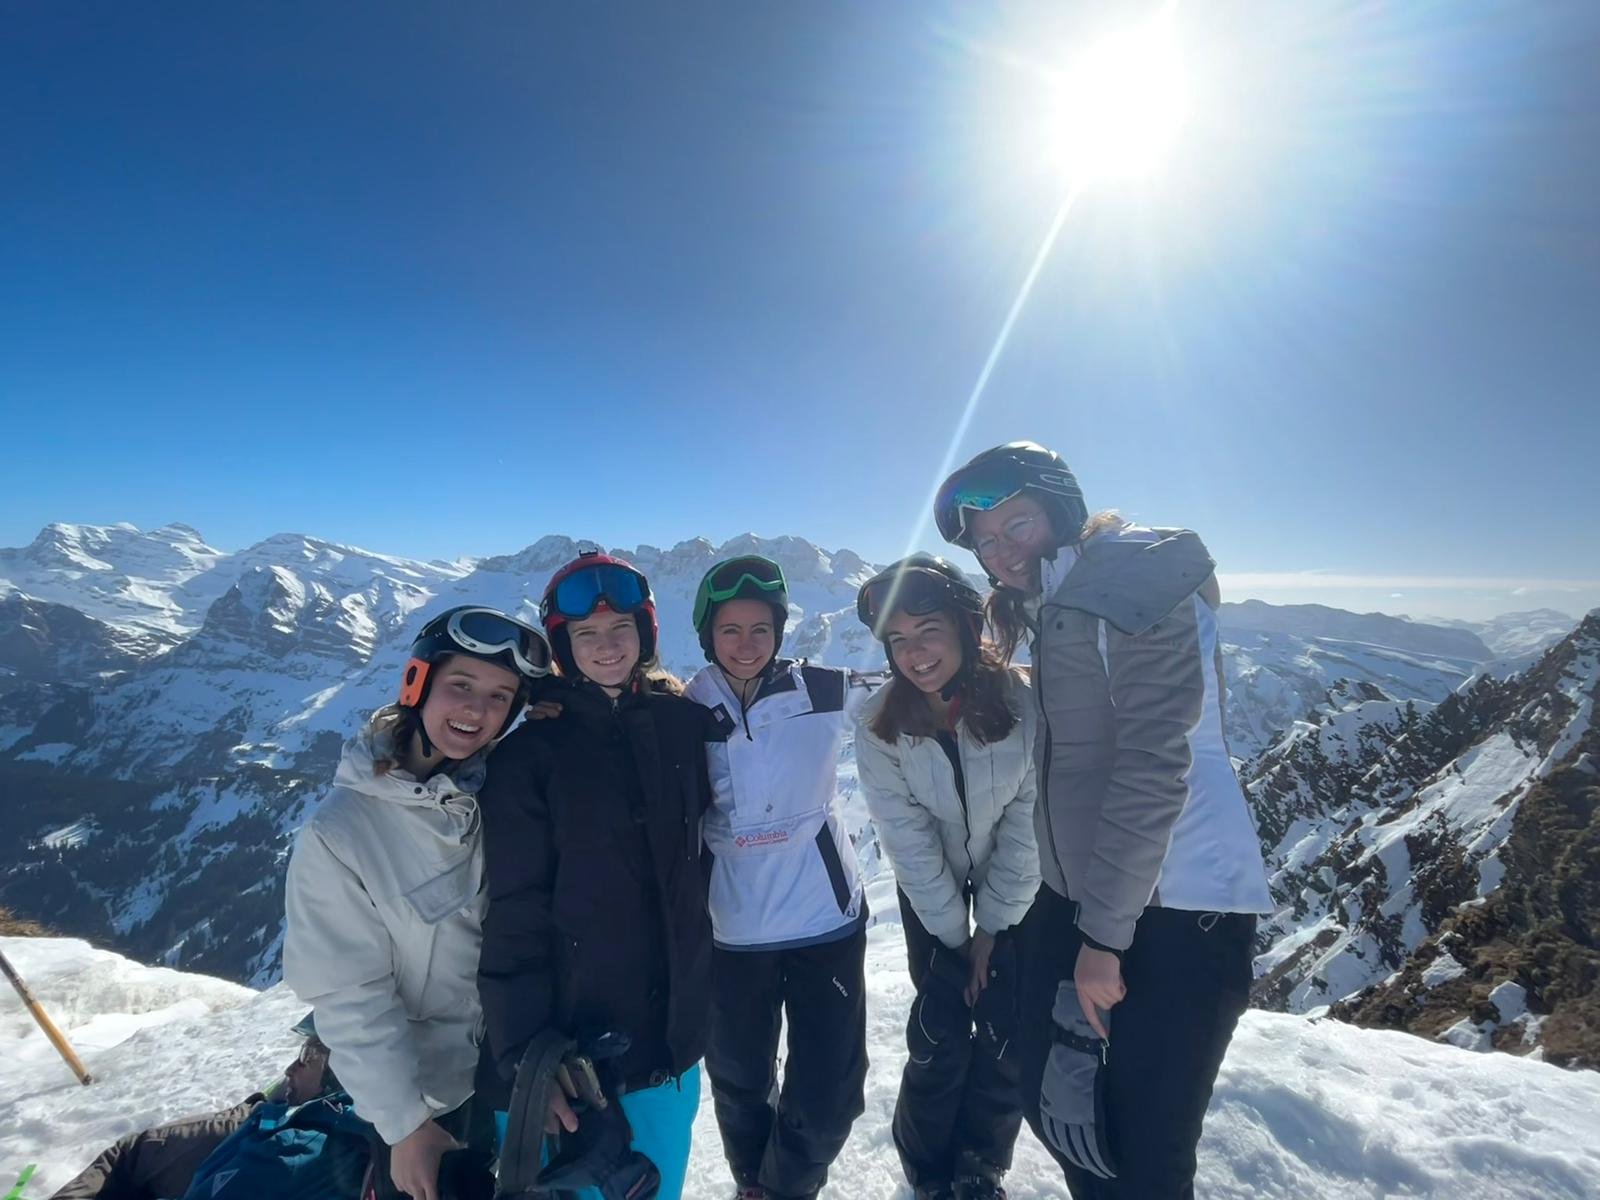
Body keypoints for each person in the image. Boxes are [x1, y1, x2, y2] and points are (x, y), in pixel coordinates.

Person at [933, 442, 1273, 1199]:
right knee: (1063, 1112)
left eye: (1014, 526)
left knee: (1141, 1152)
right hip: (1088, 898)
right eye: (985, 543)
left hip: (1177, 906)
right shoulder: (1059, 602)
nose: (1002, 555)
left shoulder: (1132, 575)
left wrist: (1103, 940)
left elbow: (1154, 763)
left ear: (1061, 506)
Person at [284, 607, 551, 1200]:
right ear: (417, 683)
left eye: (501, 697)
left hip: (496, 1077)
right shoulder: (342, 834)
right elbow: (349, 994)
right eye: (461, 685)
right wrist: (405, 1127)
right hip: (419, 1103)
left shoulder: (489, 792)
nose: (478, 711)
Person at [477, 550, 714, 1200]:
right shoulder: (529, 757)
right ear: (563, 646)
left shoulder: (684, 726)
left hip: (671, 1053)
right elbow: (514, 913)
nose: (607, 647)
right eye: (587, 635)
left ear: (645, 634)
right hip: (571, 1067)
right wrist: (526, 1057)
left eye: (620, 630)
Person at [852, 554, 1040, 1200]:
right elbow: (907, 841)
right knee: (941, 1025)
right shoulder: (880, 726)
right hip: (931, 893)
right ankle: (926, 1164)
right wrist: (956, 944)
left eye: (927, 629)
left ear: (964, 624)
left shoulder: (1024, 702)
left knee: (1004, 1025)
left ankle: (981, 1163)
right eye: (897, 640)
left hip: (1010, 880)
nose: (914, 653)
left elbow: (1029, 814)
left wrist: (994, 924)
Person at [682, 554, 870, 1200]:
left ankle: (787, 1187)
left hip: (825, 920)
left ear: (780, 632)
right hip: (731, 928)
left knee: (829, 1089)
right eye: (730, 630)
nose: (745, 644)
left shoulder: (825, 690)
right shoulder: (686, 710)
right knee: (737, 1080)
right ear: (708, 635)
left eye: (760, 629)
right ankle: (751, 1183)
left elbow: (916, 690)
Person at [51, 1013, 337, 1200]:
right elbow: (134, 1156)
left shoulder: (250, 1132)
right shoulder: (249, 1129)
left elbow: (132, 1155)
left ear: (342, 1075)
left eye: (307, 1057)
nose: (290, 1070)